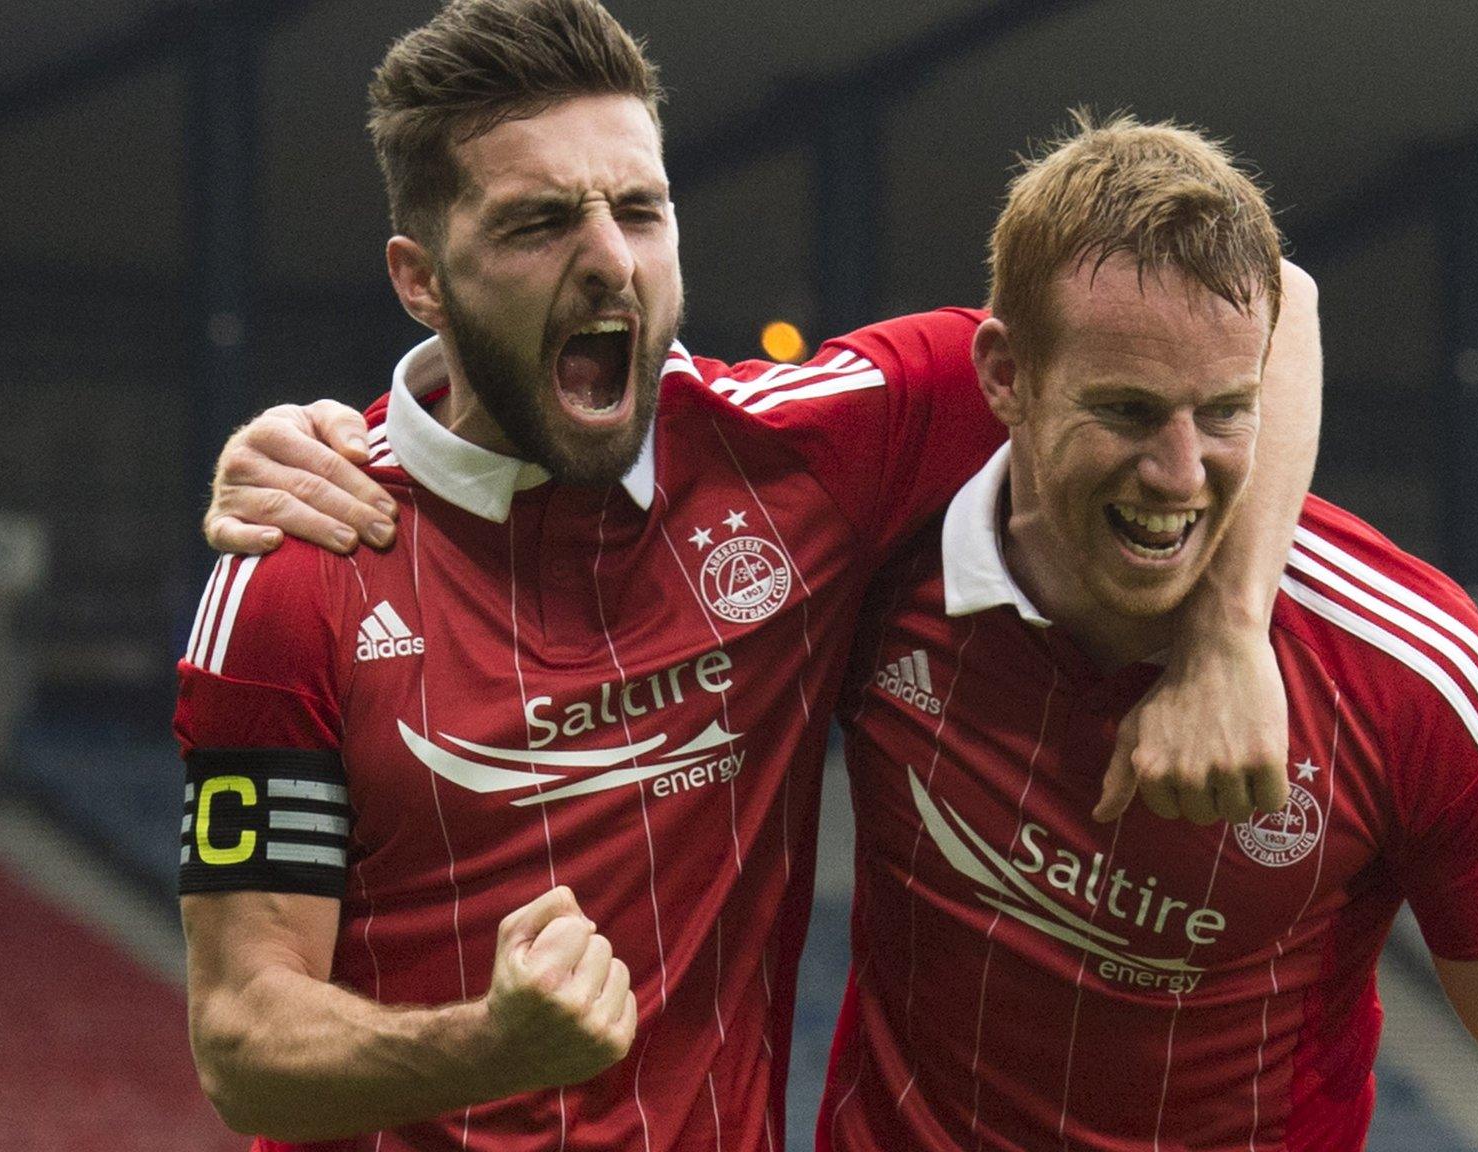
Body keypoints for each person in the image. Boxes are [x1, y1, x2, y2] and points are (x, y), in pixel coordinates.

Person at [175, 3, 1323, 1150]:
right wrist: (489, 1047)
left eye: (639, 209)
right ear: (421, 280)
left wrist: (1229, 638)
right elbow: (242, 1045)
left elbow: (1273, 306)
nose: (608, 262)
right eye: (536, 223)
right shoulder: (301, 569)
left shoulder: (805, 455)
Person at [817, 115, 1478, 1150]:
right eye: (1123, 410)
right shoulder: (878, 558)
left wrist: (1229, 631)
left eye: (1222, 412)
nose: (1177, 472)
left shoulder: (1411, 672)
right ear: (1005, 378)